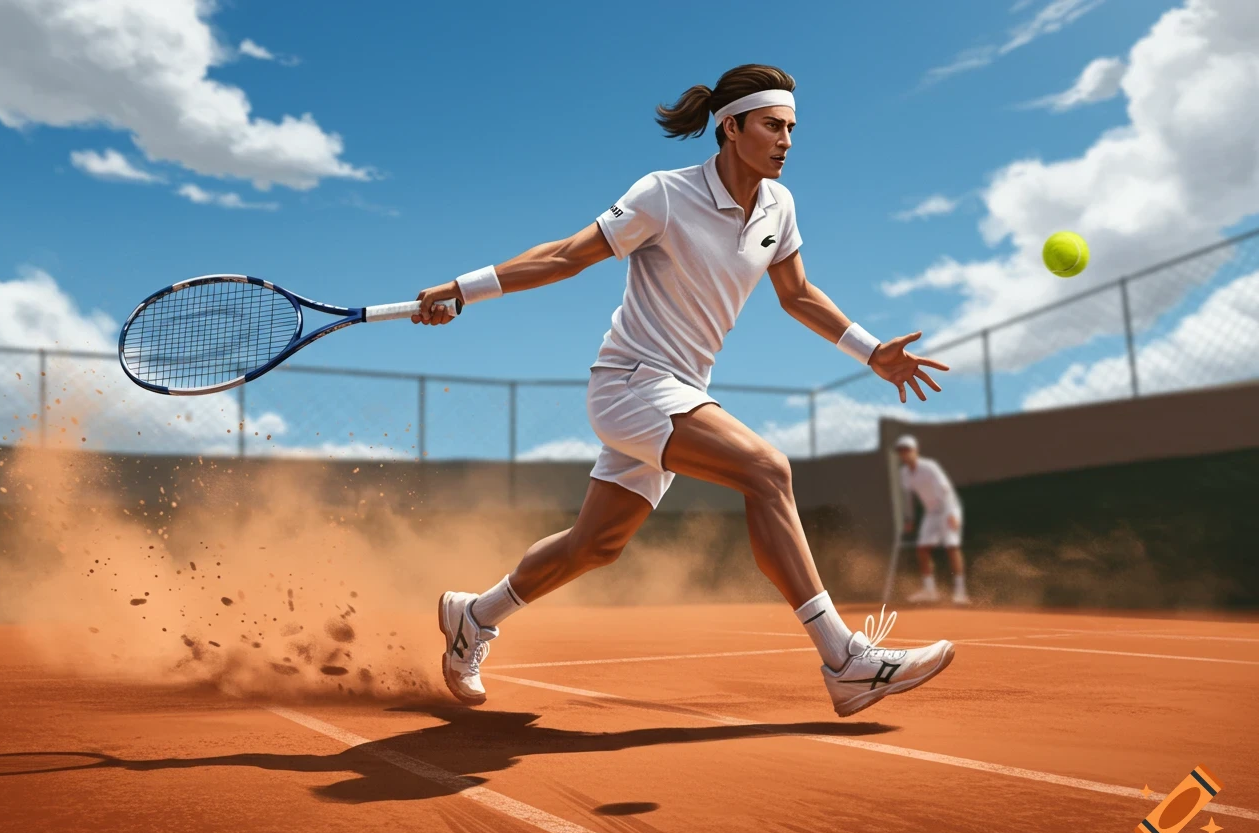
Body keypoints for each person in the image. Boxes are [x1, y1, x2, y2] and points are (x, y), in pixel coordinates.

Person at [411, 64, 956, 717]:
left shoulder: (779, 207)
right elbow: (566, 256)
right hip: (631, 384)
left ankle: (474, 616)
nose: (786, 140)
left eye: (791, 128)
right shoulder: (662, 196)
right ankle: (845, 660)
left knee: (596, 544)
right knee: (766, 470)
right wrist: (462, 288)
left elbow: (798, 295)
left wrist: (871, 353)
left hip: (681, 391)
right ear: (731, 128)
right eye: (772, 126)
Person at [894, 435, 970, 606]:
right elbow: (909, 498)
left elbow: (946, 489)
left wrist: (952, 514)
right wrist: (910, 518)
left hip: (948, 508)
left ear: (915, 451)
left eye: (907, 450)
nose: (904, 454)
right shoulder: (904, 473)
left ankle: (960, 592)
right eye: (901, 451)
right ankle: (930, 591)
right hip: (931, 513)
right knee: (921, 550)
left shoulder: (929, 467)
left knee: (952, 547)